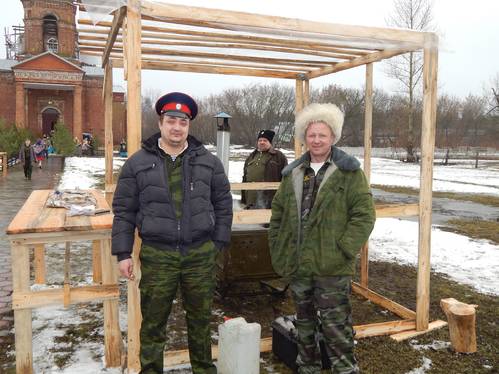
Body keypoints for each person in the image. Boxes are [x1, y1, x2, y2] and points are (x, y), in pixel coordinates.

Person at [112, 92, 233, 374]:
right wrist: (123, 252)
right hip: (158, 255)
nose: (176, 127)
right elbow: (124, 211)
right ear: (160, 122)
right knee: (153, 323)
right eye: (171, 121)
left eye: (182, 121)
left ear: (188, 125)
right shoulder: (138, 163)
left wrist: (218, 242)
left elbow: (223, 203)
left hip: (200, 255)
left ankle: (203, 369)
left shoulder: (208, 162)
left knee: (201, 321)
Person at [268, 103, 376, 374]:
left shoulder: (349, 173)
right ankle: (308, 368)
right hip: (299, 264)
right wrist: (278, 247)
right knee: (304, 324)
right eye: (312, 135)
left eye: (322, 135)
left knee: (336, 326)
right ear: (304, 137)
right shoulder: (293, 173)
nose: (316, 140)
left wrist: (343, 249)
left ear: (333, 138)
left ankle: (345, 369)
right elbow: (278, 214)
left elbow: (364, 215)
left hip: (332, 267)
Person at [241, 129, 288, 209]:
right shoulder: (251, 156)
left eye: (265, 140)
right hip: (251, 198)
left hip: (269, 200)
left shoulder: (279, 157)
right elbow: (245, 177)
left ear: (270, 142)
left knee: (265, 220)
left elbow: (286, 178)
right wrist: (243, 198)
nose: (262, 142)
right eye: (260, 140)